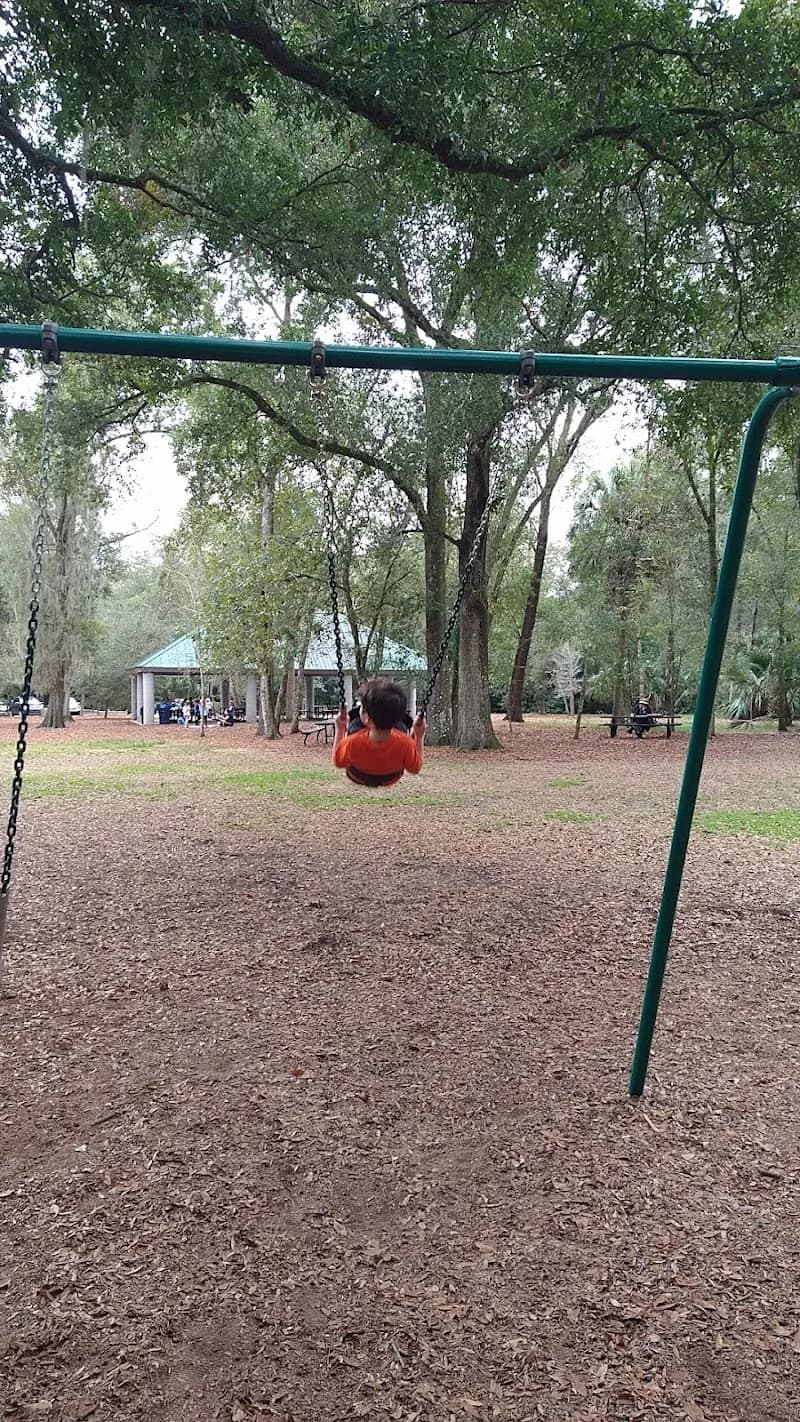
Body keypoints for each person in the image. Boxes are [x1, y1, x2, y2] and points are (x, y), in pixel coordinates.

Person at [333, 677, 425, 787]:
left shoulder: (352, 742)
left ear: (366, 717)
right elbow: (415, 769)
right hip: (390, 777)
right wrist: (418, 736)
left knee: (354, 726)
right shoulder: (406, 743)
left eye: (361, 707)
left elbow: (338, 762)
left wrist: (340, 729)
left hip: (358, 775)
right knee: (401, 730)